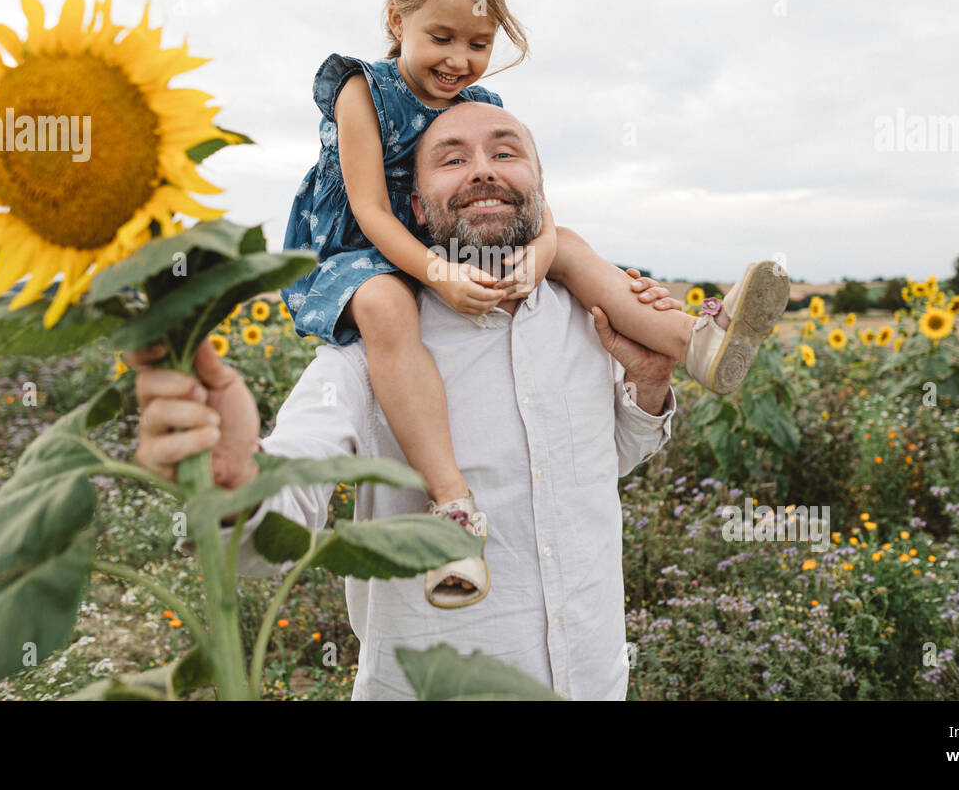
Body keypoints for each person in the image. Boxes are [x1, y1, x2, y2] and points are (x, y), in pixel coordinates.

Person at [128, 102, 785, 699]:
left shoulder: (589, 319)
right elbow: (264, 537)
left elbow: (592, 469)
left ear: (539, 188)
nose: (483, 172)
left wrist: (646, 383)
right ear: (414, 207)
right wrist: (231, 480)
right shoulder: (373, 347)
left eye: (505, 153)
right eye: (452, 159)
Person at [280, 0, 789, 608]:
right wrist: (436, 273)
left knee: (572, 244)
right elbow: (372, 210)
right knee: (384, 308)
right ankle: (453, 505)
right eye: (442, 37)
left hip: (453, 240)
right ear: (397, 20)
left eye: (479, 44)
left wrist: (541, 255)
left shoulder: (481, 109)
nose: (460, 60)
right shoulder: (360, 90)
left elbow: (543, 213)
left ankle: (696, 342)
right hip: (371, 247)